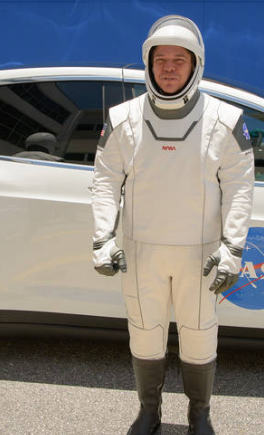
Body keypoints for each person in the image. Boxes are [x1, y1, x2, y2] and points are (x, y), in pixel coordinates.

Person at [91, 15, 254, 435]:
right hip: (141, 252)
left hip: (201, 255)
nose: (168, 68)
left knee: (200, 337)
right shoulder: (123, 119)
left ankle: (200, 414)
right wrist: (103, 238)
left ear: (195, 64)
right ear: (147, 64)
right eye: (160, 59)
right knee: (145, 334)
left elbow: (239, 186)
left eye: (178, 60)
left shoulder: (226, 121)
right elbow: (105, 180)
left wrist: (233, 248)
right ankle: (149, 411)